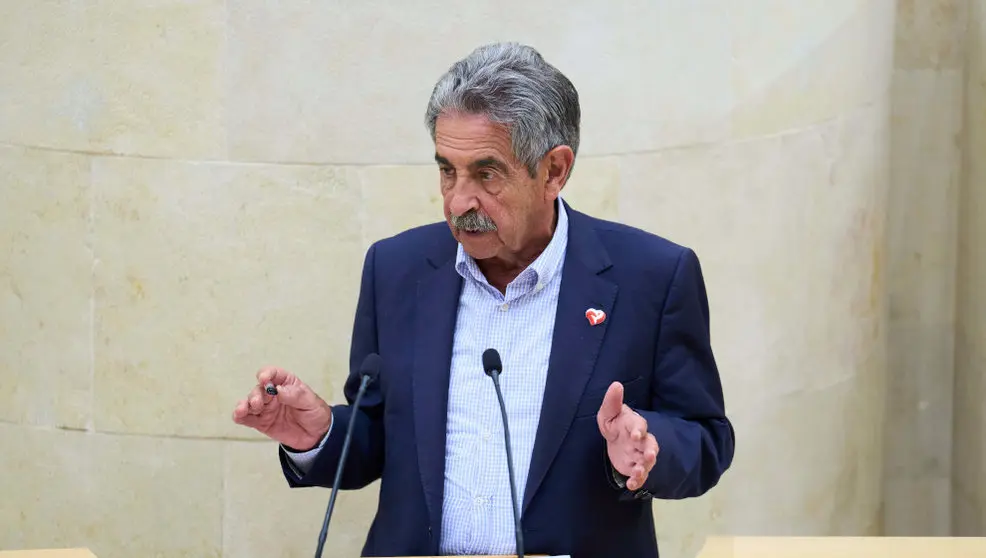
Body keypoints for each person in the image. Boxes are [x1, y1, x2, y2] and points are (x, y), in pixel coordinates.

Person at [233, 42, 734, 558]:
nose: (457, 201)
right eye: (447, 170)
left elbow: (706, 439)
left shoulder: (651, 277)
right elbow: (381, 436)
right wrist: (320, 434)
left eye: (486, 174)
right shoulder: (396, 268)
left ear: (554, 171)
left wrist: (648, 447)